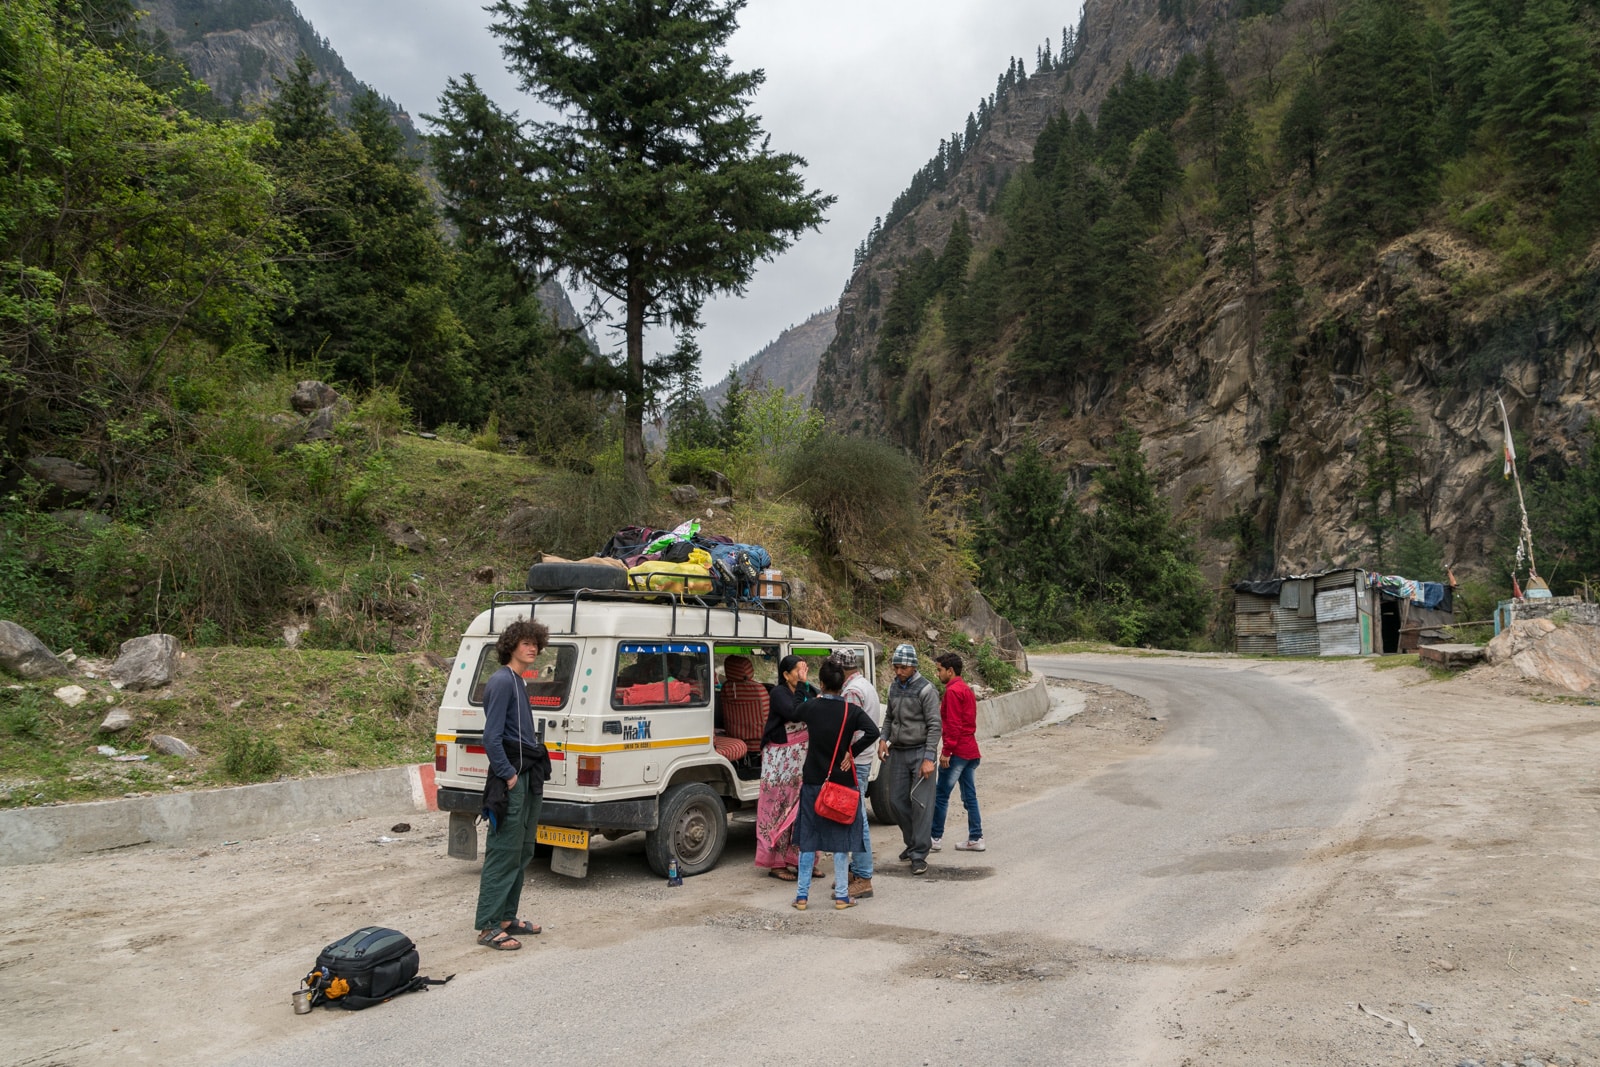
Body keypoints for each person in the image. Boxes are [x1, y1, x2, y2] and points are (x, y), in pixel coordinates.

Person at [475, 618, 552, 951]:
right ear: (511, 646)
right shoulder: (502, 681)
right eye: (525, 643)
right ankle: (488, 926)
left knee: (523, 850)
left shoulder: (519, 681)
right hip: (512, 778)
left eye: (535, 643)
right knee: (504, 851)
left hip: (527, 774)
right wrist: (508, 775)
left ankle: (507, 918)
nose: (532, 647)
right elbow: (491, 738)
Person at [789, 658, 880, 910]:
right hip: (842, 783)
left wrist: (800, 685)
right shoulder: (851, 711)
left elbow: (794, 710)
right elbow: (873, 732)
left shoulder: (812, 708)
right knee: (841, 840)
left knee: (808, 838)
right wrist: (851, 751)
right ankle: (842, 896)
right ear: (843, 685)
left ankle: (801, 896)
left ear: (821, 683)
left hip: (813, 781)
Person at [877, 643, 941, 875]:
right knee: (895, 801)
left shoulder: (927, 690)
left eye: (902, 667)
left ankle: (919, 855)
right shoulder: (894, 687)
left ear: (913, 667)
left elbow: (935, 726)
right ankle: (913, 842)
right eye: (896, 667)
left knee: (921, 804)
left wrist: (929, 758)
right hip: (899, 751)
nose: (898, 671)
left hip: (920, 751)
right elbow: (889, 716)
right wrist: (884, 738)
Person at [754, 655, 814, 880]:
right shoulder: (778, 693)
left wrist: (805, 686)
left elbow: (815, 703)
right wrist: (802, 687)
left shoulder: (805, 688)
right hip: (780, 760)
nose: (802, 674)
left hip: (799, 760)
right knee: (777, 808)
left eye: (804, 669)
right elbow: (794, 712)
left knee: (801, 808)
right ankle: (775, 863)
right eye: (798, 670)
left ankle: (801, 860)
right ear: (786, 675)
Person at [836, 648, 882, 900]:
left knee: (857, 819)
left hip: (857, 761)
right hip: (862, 759)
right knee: (856, 815)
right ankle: (855, 871)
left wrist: (848, 753)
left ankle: (863, 876)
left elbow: (853, 729)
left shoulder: (852, 691)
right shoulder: (864, 684)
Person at [930, 652, 983, 853]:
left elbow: (953, 724)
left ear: (950, 671)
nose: (938, 674)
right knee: (970, 795)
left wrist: (947, 752)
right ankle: (976, 837)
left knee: (941, 794)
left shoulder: (952, 692)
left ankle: (934, 838)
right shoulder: (966, 690)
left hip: (958, 751)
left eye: (939, 670)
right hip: (970, 750)